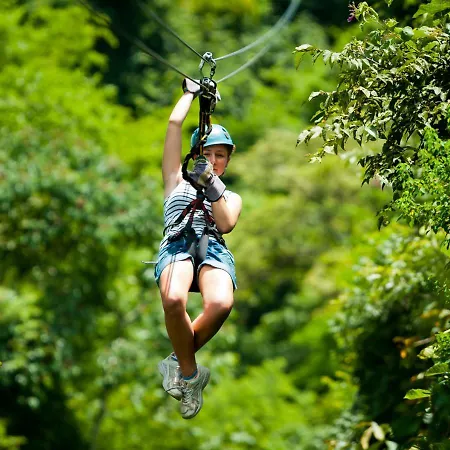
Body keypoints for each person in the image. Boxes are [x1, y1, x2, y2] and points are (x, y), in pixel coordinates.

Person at [154, 78, 242, 419]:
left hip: (212, 247)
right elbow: (174, 124)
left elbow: (226, 223)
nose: (213, 160)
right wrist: (190, 94)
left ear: (227, 162)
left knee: (221, 303)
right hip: (178, 242)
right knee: (173, 300)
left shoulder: (231, 196)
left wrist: (212, 185)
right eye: (207, 154)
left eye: (220, 156)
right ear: (194, 155)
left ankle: (177, 361)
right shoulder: (175, 179)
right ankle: (190, 375)